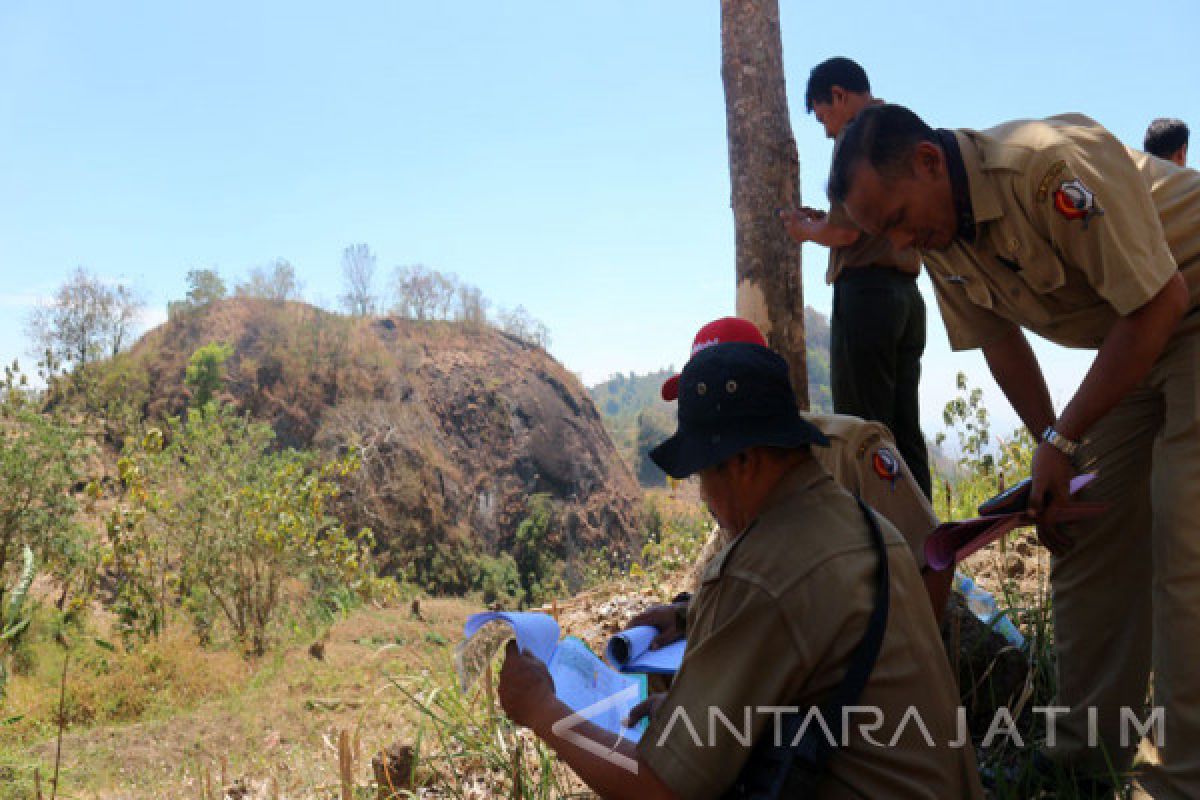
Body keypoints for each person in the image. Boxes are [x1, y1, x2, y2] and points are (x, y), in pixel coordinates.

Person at [827, 102, 1200, 797]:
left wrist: (1063, 439)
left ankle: (1183, 780)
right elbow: (1000, 340)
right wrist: (1055, 455)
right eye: (886, 234)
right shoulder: (937, 236)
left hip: (1184, 305)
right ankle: (1084, 762)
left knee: (1186, 537)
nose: (905, 240)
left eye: (902, 218)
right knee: (1087, 530)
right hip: (1136, 338)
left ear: (929, 162)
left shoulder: (1043, 169)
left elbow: (1161, 299)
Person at [497, 340, 983, 799]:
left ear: (746, 461)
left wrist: (545, 712)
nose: (704, 498)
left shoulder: (760, 570)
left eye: (705, 474)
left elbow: (659, 790)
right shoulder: (872, 528)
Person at [654, 316, 950, 627]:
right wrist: (681, 615)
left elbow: (933, 558)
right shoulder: (731, 481)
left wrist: (909, 659)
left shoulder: (853, 450)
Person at [780, 57, 931, 498]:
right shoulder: (900, 130)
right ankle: (926, 539)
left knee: (865, 430)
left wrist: (806, 231)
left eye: (824, 114)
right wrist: (823, 220)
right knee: (905, 426)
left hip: (867, 295)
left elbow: (846, 231)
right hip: (907, 296)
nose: (826, 128)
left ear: (839, 96)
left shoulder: (856, 138)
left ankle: (880, 539)